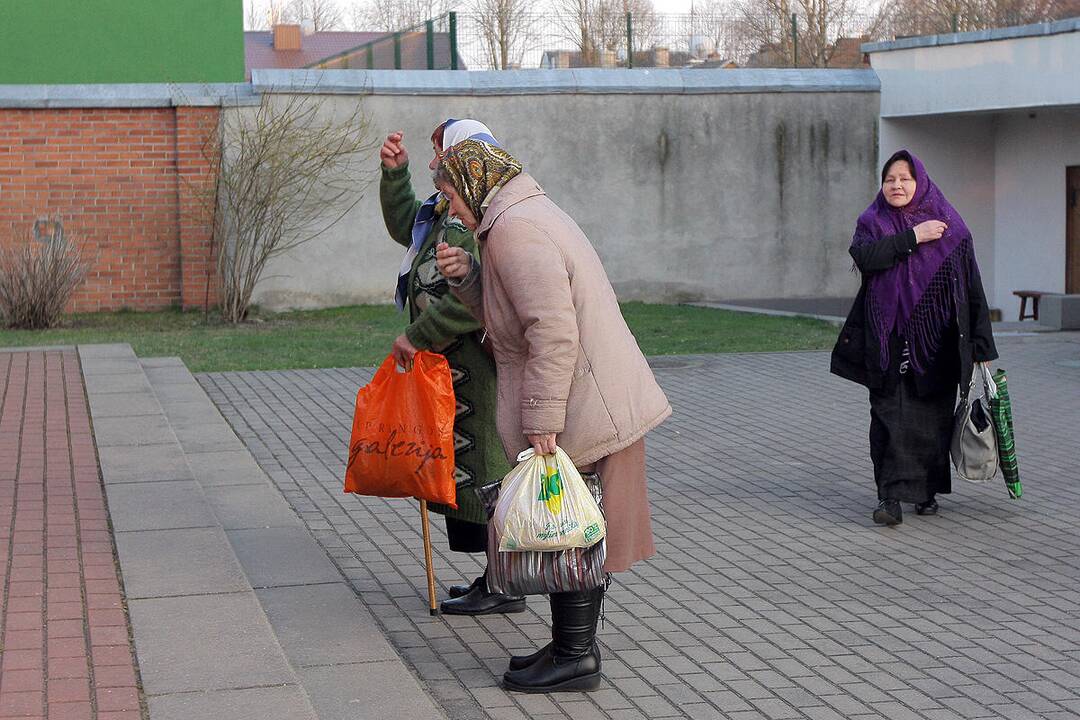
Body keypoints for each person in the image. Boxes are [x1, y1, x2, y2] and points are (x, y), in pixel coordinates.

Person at [433, 139, 672, 693]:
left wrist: (542, 418)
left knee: (571, 529)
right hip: (588, 398)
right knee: (570, 527)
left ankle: (575, 655)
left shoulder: (516, 231)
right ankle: (572, 645)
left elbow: (553, 332)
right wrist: (470, 278)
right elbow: (515, 315)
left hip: (582, 407)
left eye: (449, 193)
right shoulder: (516, 217)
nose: (449, 208)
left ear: (473, 182)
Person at [379, 119, 523, 615]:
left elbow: (472, 299)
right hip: (448, 370)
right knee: (467, 475)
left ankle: (507, 583)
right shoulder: (446, 205)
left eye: (439, 149)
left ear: (463, 153)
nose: (432, 158)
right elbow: (407, 229)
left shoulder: (481, 215)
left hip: (477, 369)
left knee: (488, 471)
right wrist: (394, 176)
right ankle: (495, 578)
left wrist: (416, 336)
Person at [831, 149, 998, 526]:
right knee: (887, 417)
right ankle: (889, 497)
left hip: (937, 342)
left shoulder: (951, 228)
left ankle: (925, 492)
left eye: (904, 178)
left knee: (932, 419)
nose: (896, 185)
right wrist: (913, 236)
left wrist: (982, 345)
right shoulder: (872, 221)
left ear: (919, 182)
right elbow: (866, 258)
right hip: (886, 339)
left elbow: (972, 288)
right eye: (890, 179)